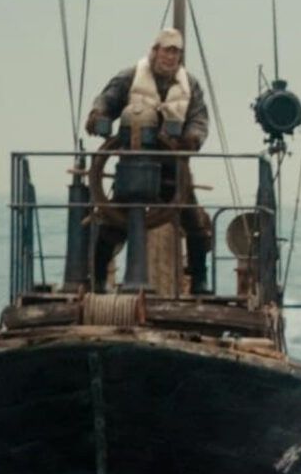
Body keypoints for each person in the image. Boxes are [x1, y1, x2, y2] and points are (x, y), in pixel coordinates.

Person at [84, 28, 213, 293]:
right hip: (133, 167)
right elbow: (106, 101)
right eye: (166, 51)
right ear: (154, 51)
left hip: (173, 168)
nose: (170, 57)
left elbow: (199, 119)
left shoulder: (191, 85)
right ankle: (96, 279)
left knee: (195, 223)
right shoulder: (129, 77)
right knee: (113, 223)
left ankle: (200, 280)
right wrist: (97, 116)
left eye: (176, 53)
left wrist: (191, 140)